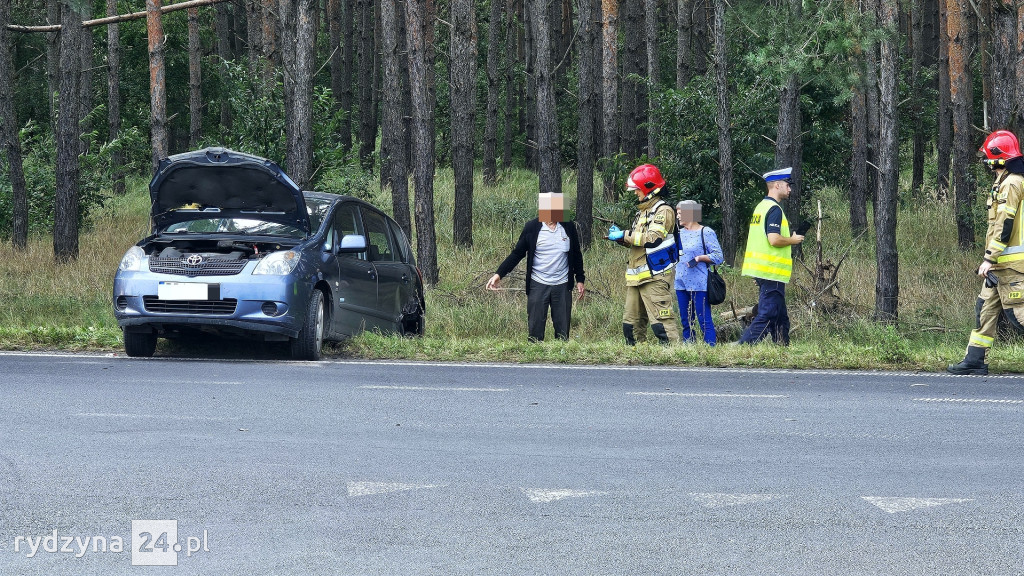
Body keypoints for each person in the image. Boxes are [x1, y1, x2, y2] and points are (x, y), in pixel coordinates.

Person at [947, 130, 1024, 375]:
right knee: (985, 309)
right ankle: (974, 359)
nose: (985, 160)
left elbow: (1005, 223)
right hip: (1000, 265)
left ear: (998, 157)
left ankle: (974, 360)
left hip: (1010, 265)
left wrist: (989, 258)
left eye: (988, 155)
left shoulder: (1012, 183)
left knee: (1018, 315)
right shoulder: (1003, 181)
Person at [486, 192, 585, 342]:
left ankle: (562, 359)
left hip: (563, 284)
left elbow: (576, 254)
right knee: (535, 331)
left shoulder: (568, 226)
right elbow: (517, 253)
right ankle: (535, 359)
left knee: (563, 332)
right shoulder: (532, 227)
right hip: (538, 284)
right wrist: (498, 274)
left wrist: (580, 279)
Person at [607, 164, 681, 345]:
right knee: (630, 326)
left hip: (655, 276)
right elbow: (639, 243)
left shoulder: (663, 210)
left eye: (637, 189)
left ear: (649, 188)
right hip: (637, 276)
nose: (635, 193)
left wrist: (625, 234)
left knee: (662, 326)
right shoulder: (643, 212)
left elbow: (653, 239)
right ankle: (637, 362)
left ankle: (674, 360)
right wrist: (621, 239)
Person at [737, 167, 805, 345]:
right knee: (768, 314)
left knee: (780, 315)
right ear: (776, 185)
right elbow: (773, 239)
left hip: (763, 270)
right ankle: (744, 346)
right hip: (771, 271)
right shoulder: (774, 209)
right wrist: (792, 239)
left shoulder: (761, 207)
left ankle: (782, 346)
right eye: (787, 185)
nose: (790, 189)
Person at [674, 200, 724, 345]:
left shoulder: (706, 232)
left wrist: (700, 258)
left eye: (680, 213)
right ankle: (689, 347)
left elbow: (718, 256)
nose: (678, 217)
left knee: (704, 319)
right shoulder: (678, 234)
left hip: (699, 284)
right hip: (680, 282)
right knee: (685, 320)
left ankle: (710, 349)